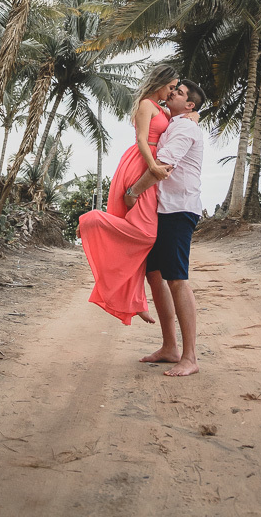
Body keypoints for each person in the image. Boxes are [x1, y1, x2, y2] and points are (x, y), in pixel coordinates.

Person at [78, 63, 178, 325]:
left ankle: (136, 301)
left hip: (152, 168)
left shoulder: (162, 109)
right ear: (161, 82)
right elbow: (142, 139)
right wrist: (152, 166)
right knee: (146, 234)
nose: (172, 92)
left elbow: (180, 119)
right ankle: (92, 220)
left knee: (142, 241)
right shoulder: (146, 104)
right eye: (170, 87)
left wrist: (194, 116)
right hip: (141, 165)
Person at [125, 79, 206, 377]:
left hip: (179, 209)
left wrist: (133, 192)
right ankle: (170, 347)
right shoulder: (176, 122)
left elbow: (164, 165)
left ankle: (190, 357)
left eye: (179, 93)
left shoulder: (184, 128)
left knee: (177, 279)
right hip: (164, 209)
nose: (172, 93)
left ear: (190, 105)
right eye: (173, 89)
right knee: (154, 274)